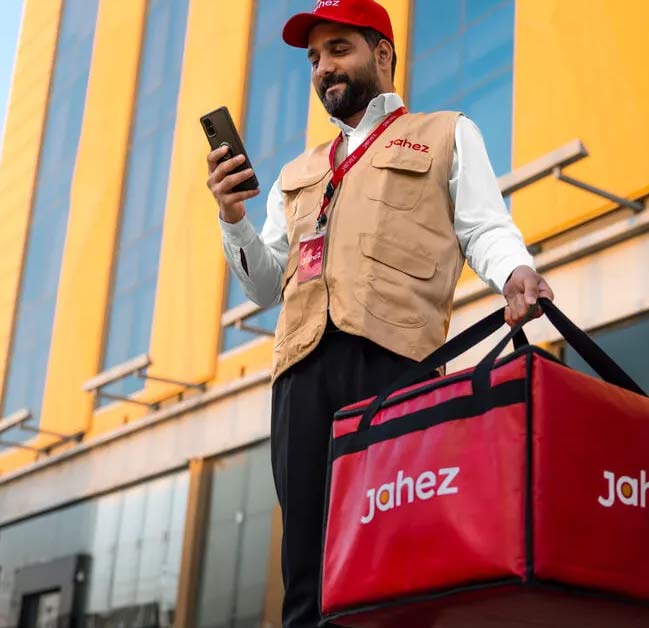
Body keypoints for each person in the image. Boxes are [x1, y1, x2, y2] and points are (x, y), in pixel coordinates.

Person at [205, 1, 553, 625]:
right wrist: (232, 218)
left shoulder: (446, 133)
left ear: (382, 53)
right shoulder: (296, 173)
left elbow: (484, 227)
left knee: (395, 554)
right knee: (307, 572)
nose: (323, 68)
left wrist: (515, 273)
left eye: (338, 50)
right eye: (314, 58)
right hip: (301, 376)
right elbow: (263, 285)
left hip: (397, 363)